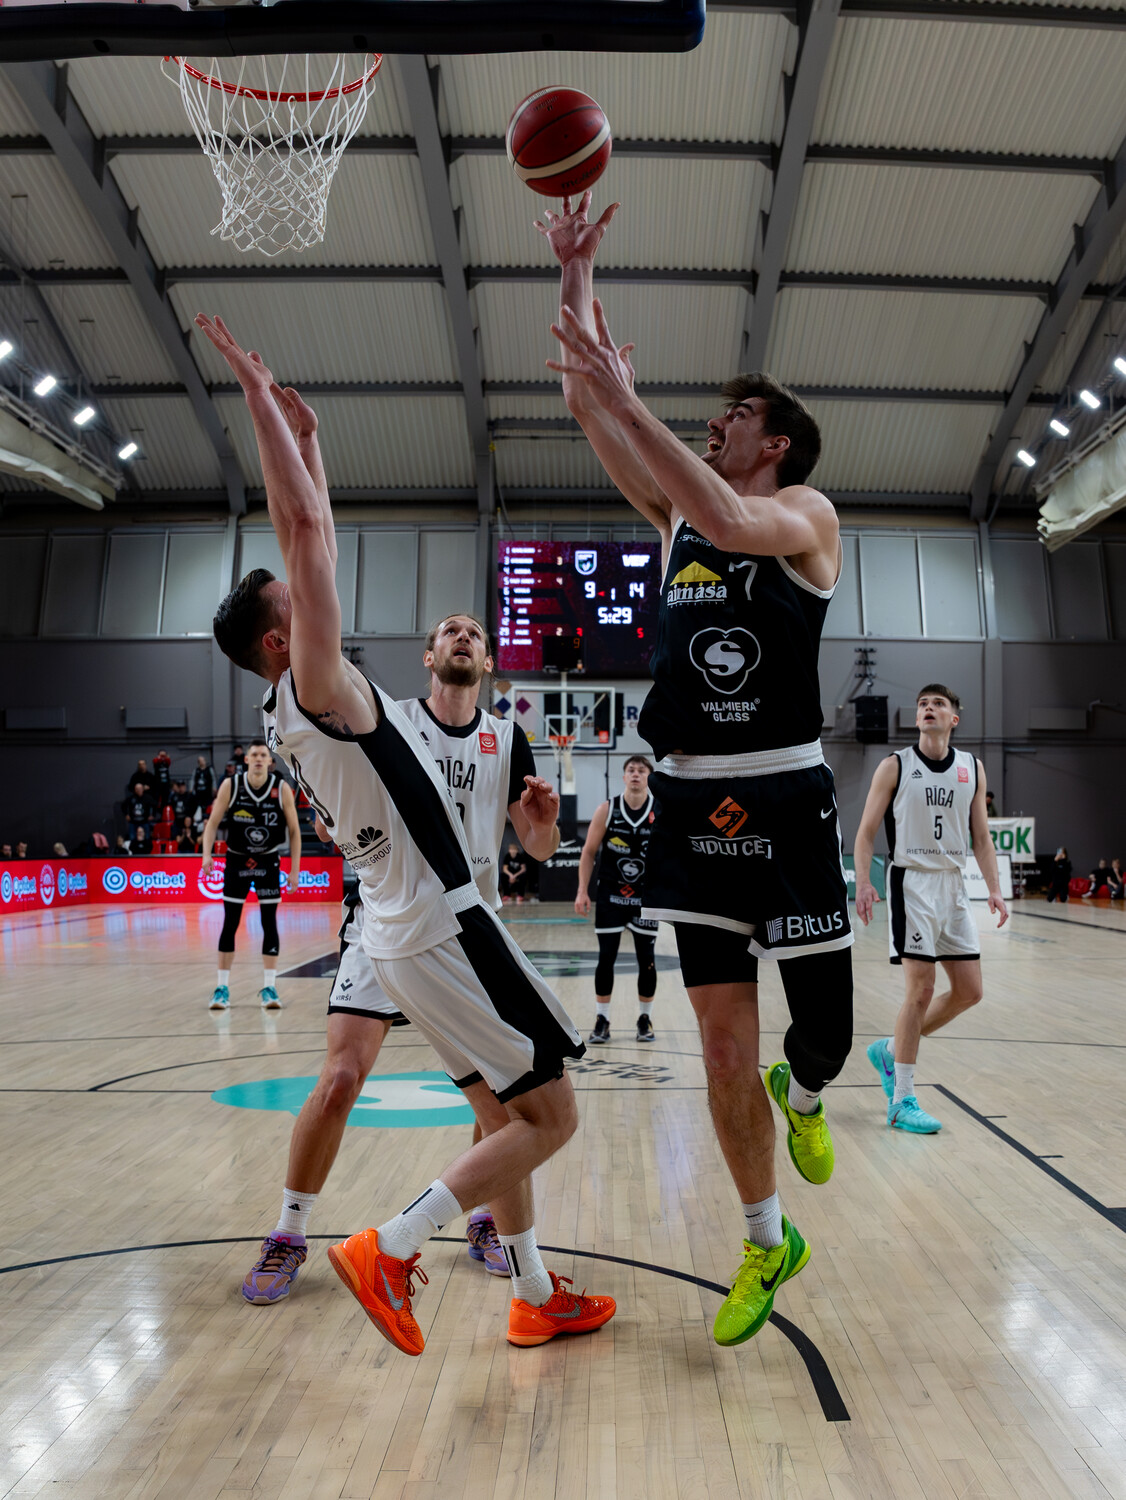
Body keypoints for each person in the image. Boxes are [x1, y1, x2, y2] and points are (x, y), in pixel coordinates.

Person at [199, 311, 613, 1357]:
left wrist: (313, 442)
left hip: (400, 930)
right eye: (295, 597)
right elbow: (303, 532)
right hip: (442, 919)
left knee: (508, 1117)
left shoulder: (301, 698)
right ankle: (388, 1247)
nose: (313, 584)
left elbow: (314, 535)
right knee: (554, 1117)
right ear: (281, 638)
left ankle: (534, 1293)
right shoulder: (319, 682)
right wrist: (259, 404)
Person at [541, 194, 851, 1349]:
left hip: (785, 793)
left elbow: (723, 515)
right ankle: (767, 1240)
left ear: (776, 445)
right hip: (687, 797)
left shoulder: (804, 514)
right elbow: (586, 400)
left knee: (819, 1038)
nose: (717, 423)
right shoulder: (675, 520)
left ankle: (805, 1094)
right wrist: (577, 273)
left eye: (737, 416)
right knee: (720, 1044)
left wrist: (628, 396)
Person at [241, 611, 566, 1305]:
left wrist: (543, 830)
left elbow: (536, 848)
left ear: (488, 664)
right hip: (384, 920)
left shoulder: (508, 738)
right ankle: (289, 1231)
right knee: (340, 1079)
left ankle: (491, 1226)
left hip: (468, 928)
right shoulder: (391, 716)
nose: (463, 637)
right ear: (428, 655)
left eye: (474, 633)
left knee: (501, 1102)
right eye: (449, 630)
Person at [854, 684, 1009, 1134]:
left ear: (953, 719)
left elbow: (982, 838)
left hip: (953, 884)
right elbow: (865, 833)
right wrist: (863, 882)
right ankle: (901, 1100)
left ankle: (890, 1049)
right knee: (921, 989)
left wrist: (995, 889)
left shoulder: (971, 768)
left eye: (938, 704)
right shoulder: (895, 766)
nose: (928, 709)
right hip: (912, 882)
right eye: (923, 704)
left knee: (970, 992)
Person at [201, 741, 301, 1010]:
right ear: (246, 760)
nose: (258, 758)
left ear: (270, 761)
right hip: (237, 860)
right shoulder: (231, 785)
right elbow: (212, 824)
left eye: (263, 755)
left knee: (269, 922)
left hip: (268, 859)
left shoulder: (281, 788)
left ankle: (270, 987)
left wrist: (294, 869)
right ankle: (221, 988)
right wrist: (206, 855)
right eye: (254, 754)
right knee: (230, 922)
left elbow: (294, 831)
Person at [575, 755, 659, 1043]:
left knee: (647, 960)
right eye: (631, 770)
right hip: (611, 895)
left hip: (645, 899)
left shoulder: (659, 810)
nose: (636, 774)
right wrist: (582, 890)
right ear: (623, 777)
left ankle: (645, 1018)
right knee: (606, 958)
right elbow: (588, 852)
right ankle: (602, 1019)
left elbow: (671, 855)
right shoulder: (607, 809)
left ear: (649, 777)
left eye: (641, 770)